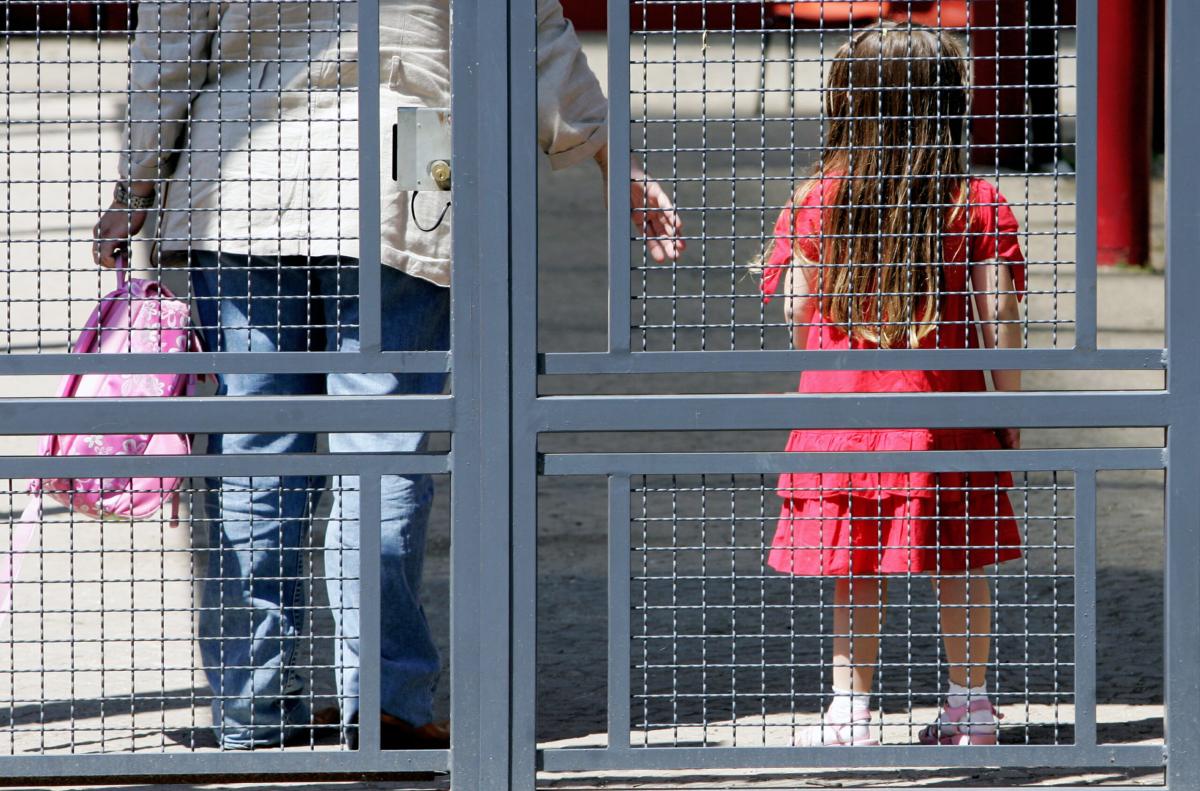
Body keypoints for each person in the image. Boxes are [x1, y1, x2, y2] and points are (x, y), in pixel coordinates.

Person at [93, 1, 682, 750]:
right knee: (382, 455)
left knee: (251, 460)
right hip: (410, 150)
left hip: (245, 162)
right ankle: (386, 706)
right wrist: (610, 155)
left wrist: (135, 189)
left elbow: (168, 51)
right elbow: (530, 28)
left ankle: (253, 711)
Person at [758, 22, 1025, 747]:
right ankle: (970, 707)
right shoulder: (973, 199)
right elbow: (998, 307)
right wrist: (1012, 398)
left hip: (843, 411)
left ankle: (850, 710)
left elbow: (798, 308)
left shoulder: (817, 196)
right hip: (948, 407)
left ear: (847, 102)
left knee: (855, 565)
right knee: (960, 561)